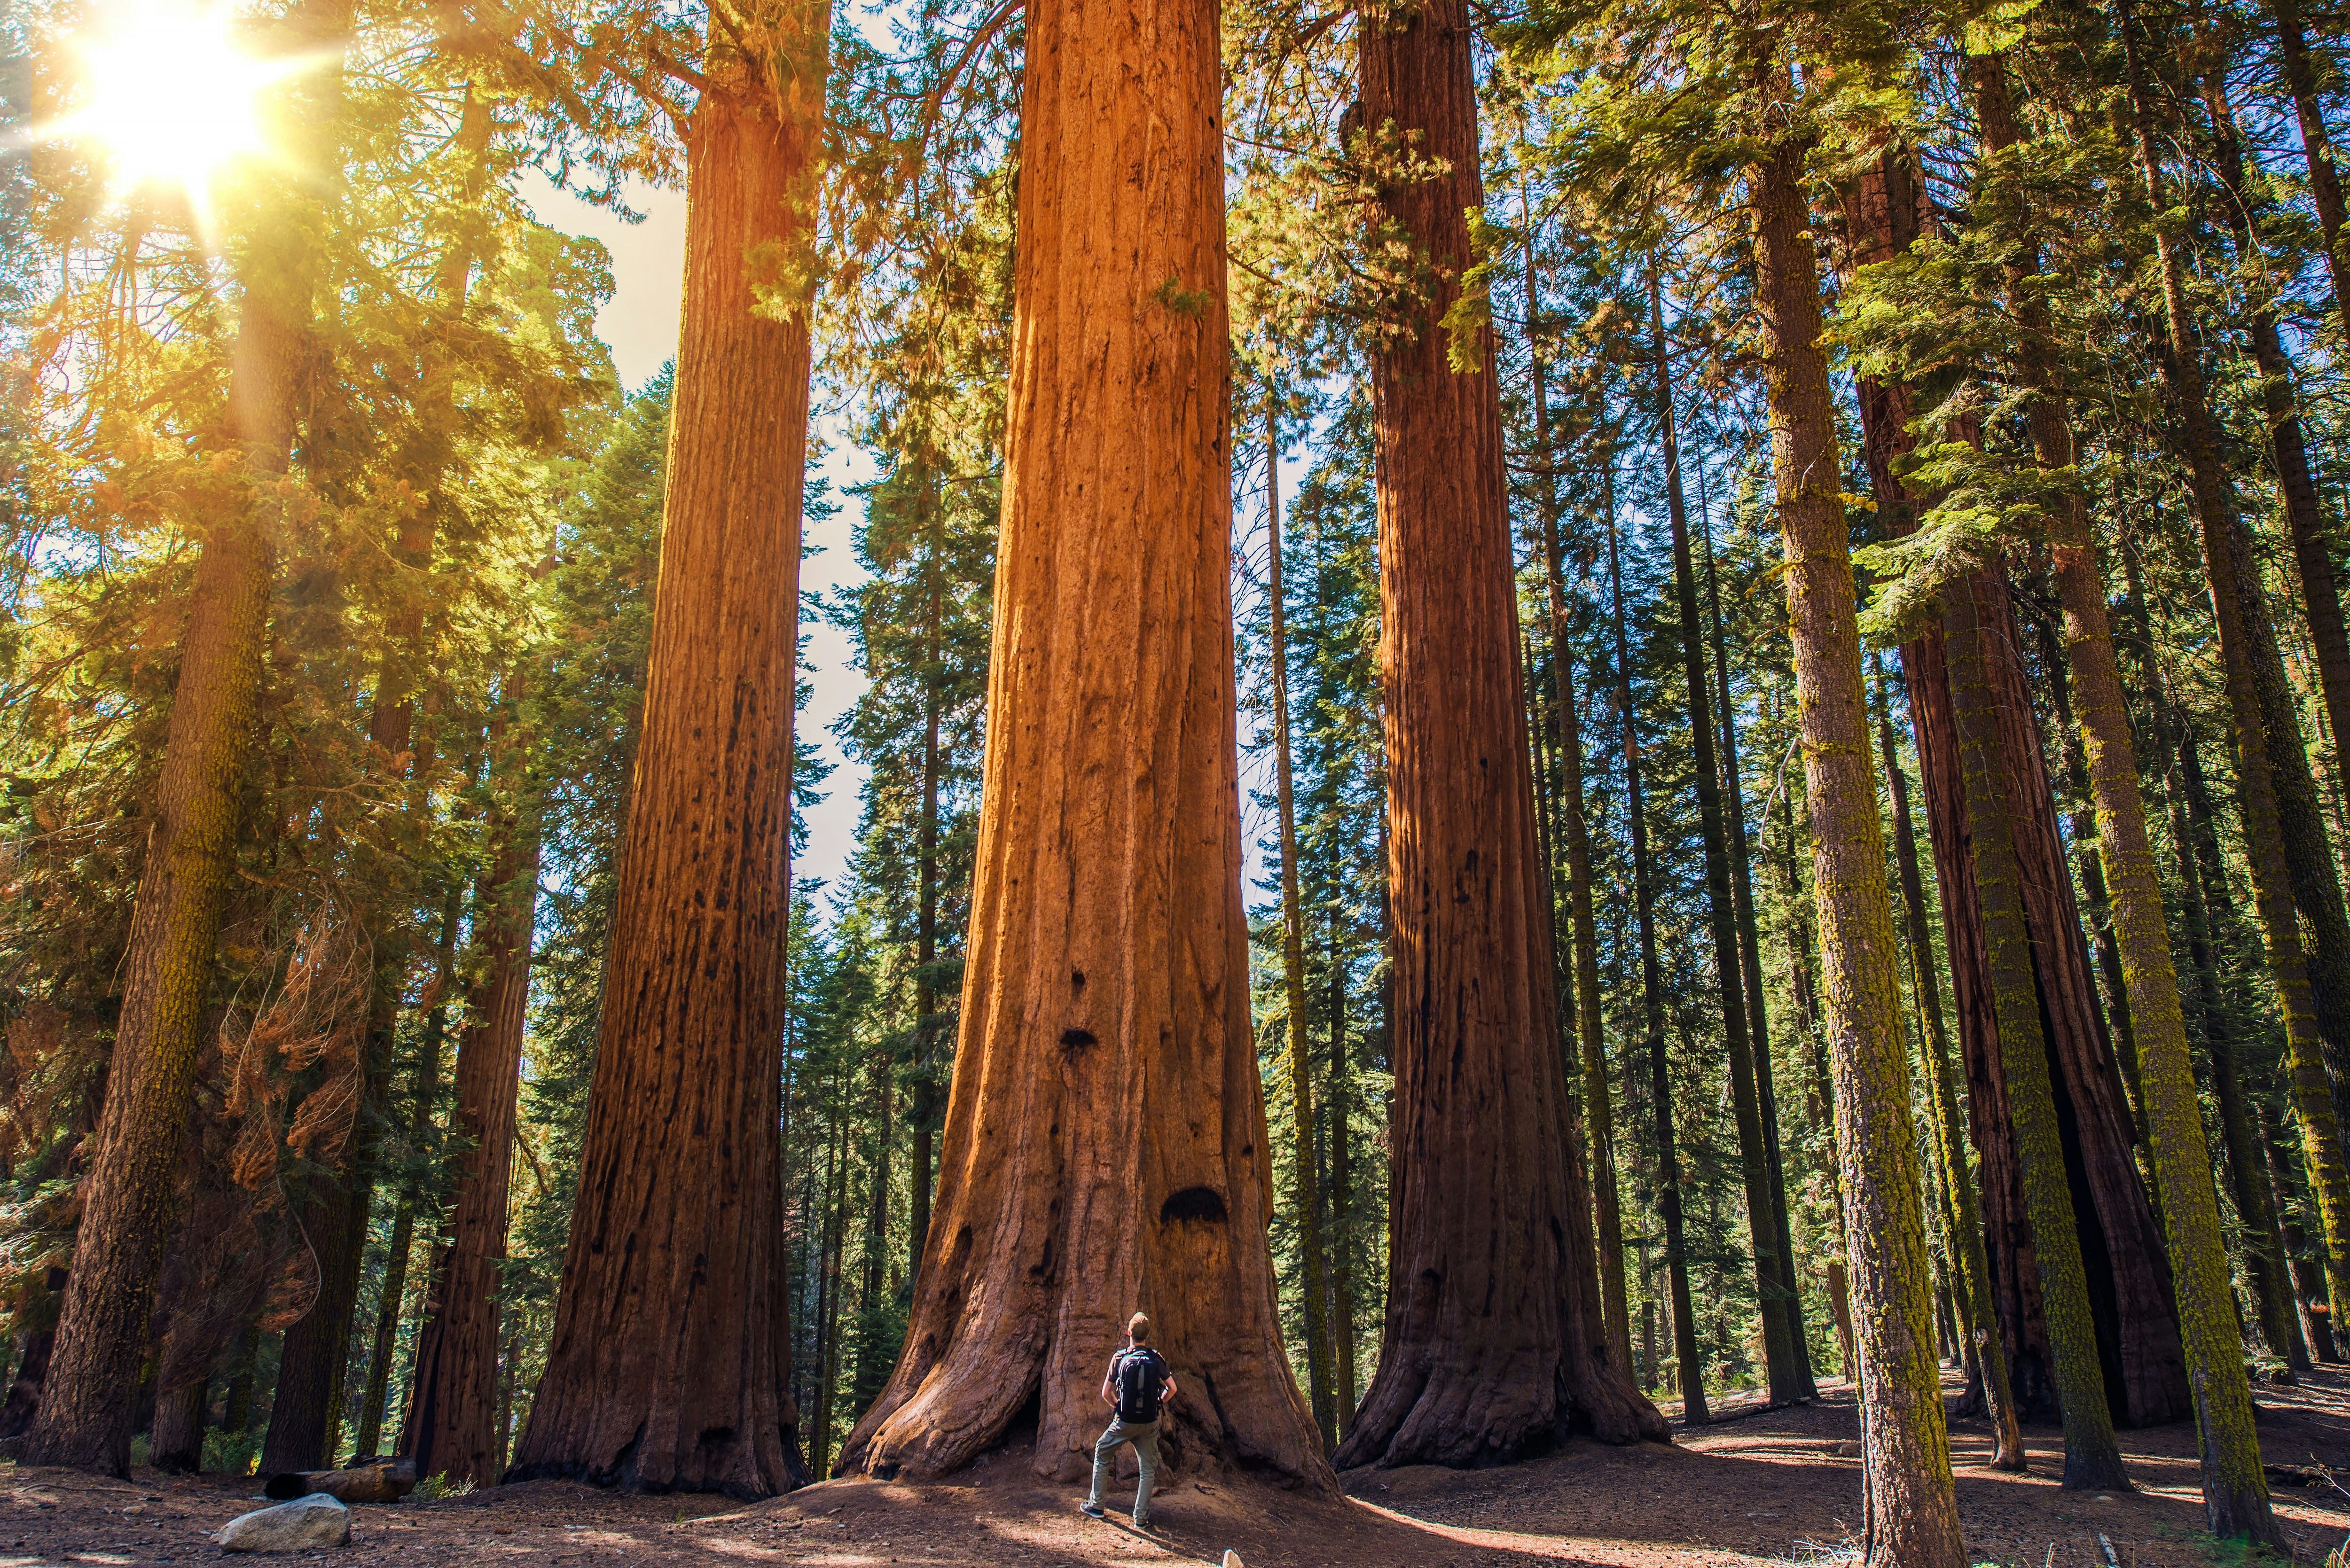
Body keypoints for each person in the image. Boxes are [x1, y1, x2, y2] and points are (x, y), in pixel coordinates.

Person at [1081, 1311, 1175, 1529]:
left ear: (1129, 1333)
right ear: (1147, 1336)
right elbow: (1173, 1389)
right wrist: (1159, 1401)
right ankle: (1141, 1518)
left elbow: (1106, 1392)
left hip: (1124, 1421)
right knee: (1148, 1468)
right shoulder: (1156, 1358)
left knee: (1102, 1452)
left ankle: (1096, 1505)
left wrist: (1118, 1406)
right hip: (1149, 1424)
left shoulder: (1120, 1357)